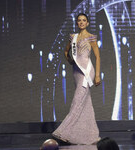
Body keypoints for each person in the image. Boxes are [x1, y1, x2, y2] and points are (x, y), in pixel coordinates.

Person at [52, 13, 101, 145]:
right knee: (86, 104)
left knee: (77, 100)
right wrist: (70, 61)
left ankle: (64, 132)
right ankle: (91, 135)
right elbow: (66, 51)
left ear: (87, 23)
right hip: (77, 72)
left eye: (84, 20)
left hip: (87, 72)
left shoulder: (91, 38)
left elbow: (97, 57)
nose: (81, 22)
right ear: (77, 23)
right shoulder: (73, 37)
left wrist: (97, 75)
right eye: (79, 20)